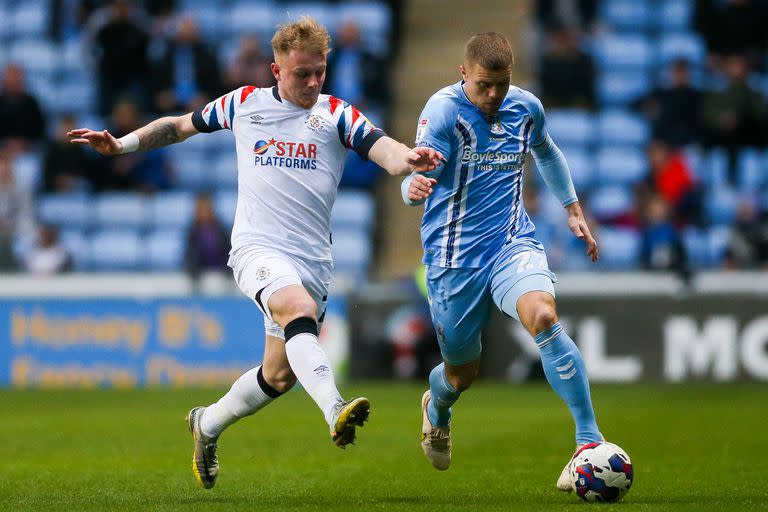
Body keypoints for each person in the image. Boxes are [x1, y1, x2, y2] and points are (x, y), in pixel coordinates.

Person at [68, 16, 443, 490]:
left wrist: (407, 157)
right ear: (275, 70)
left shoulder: (335, 114)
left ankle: (206, 425)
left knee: (278, 375)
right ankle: (335, 409)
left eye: (319, 72)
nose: (312, 82)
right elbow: (179, 126)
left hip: (312, 260)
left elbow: (382, 149)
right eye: (302, 73)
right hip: (256, 249)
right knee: (297, 309)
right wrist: (122, 143)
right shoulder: (244, 103)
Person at [401, 32, 603, 492]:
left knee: (544, 316)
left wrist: (572, 208)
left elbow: (546, 150)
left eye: (502, 85)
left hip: (512, 241)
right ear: (463, 75)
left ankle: (588, 440)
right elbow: (414, 175)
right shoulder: (443, 111)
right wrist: (411, 190)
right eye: (484, 86)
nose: (494, 95)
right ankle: (438, 407)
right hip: (454, 258)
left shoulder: (525, 107)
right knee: (461, 372)